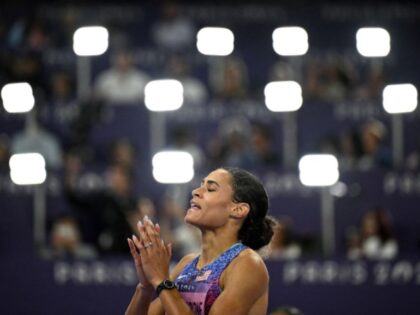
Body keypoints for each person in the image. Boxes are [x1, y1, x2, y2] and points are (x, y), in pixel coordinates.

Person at [125, 167, 276, 315]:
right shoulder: (187, 264)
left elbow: (164, 285)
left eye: (210, 189)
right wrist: (145, 287)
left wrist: (161, 281)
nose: (195, 192)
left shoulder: (248, 264)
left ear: (238, 210)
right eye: (200, 185)